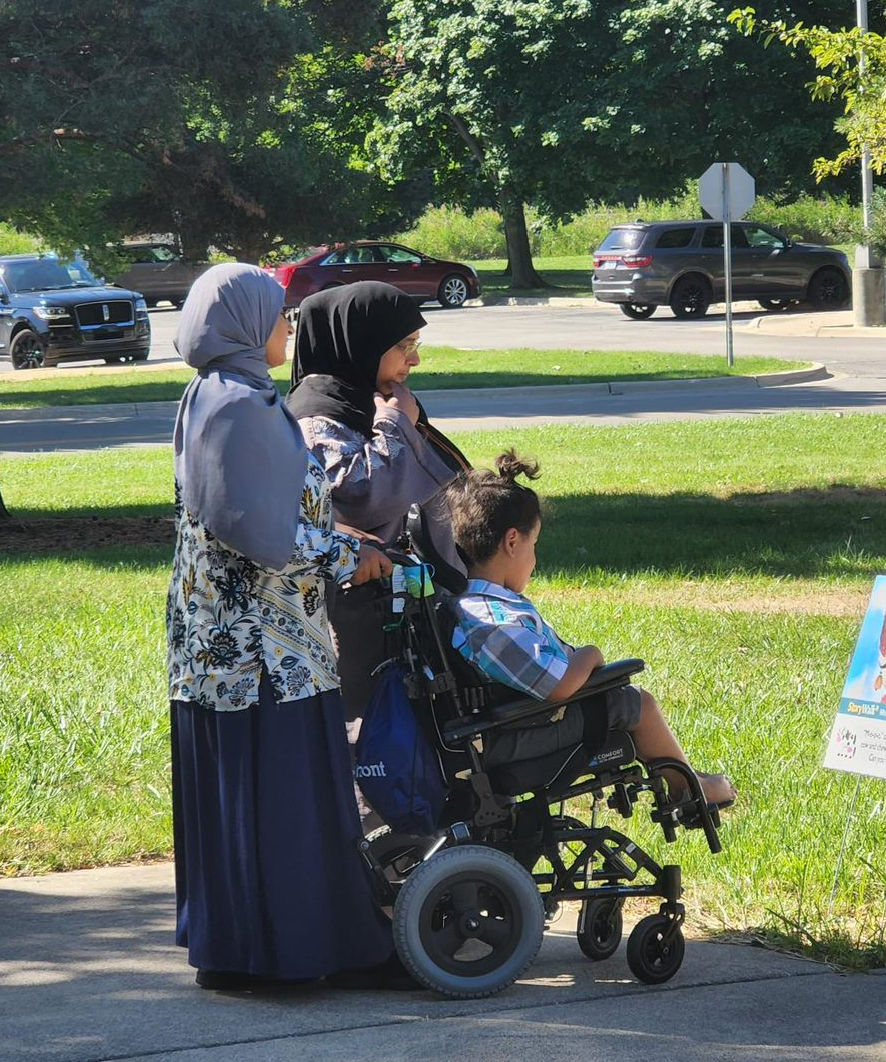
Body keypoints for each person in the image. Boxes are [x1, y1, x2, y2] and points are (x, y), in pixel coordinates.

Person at [167, 263, 412, 991]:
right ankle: (295, 955)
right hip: (260, 651)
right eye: (279, 315)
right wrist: (353, 554)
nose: (288, 329)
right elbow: (259, 533)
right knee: (284, 799)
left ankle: (248, 951)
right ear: (242, 324)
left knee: (251, 799)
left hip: (229, 648)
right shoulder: (238, 406)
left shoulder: (216, 395)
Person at [445, 451, 737, 810]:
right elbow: (559, 686)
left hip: (507, 723)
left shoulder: (474, 605)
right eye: (533, 546)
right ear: (511, 542)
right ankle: (690, 789)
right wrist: (591, 655)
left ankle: (689, 783)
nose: (534, 559)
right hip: (510, 734)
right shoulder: (492, 623)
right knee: (634, 702)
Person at [284, 281, 470, 722]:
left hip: (408, 605)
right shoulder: (317, 416)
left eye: (416, 344)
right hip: (364, 619)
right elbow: (358, 497)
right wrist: (392, 423)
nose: (415, 359)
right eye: (403, 345)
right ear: (360, 344)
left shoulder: (369, 401)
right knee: (379, 738)